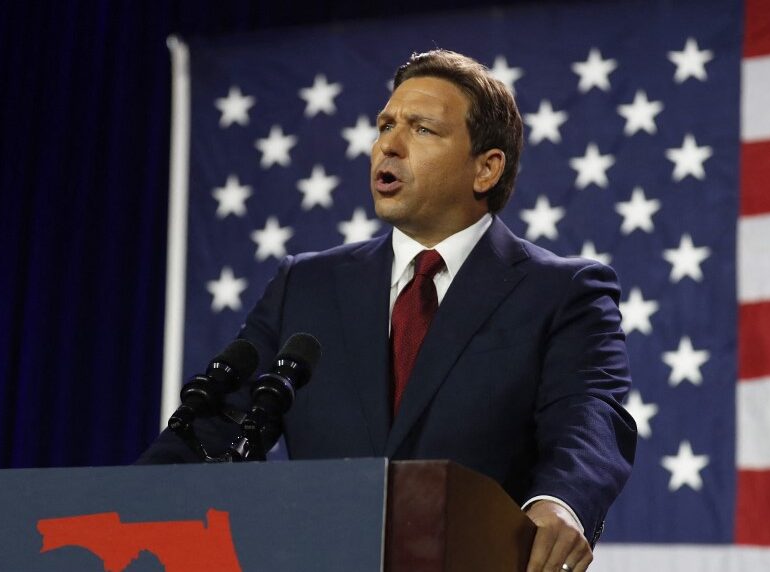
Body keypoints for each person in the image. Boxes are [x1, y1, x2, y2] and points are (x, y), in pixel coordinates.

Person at [139, 49, 636, 572]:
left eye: (422, 130)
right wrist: (124, 502)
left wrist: (560, 502)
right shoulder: (305, 286)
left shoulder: (562, 291)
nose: (388, 146)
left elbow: (590, 418)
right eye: (385, 126)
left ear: (486, 169)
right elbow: (216, 428)